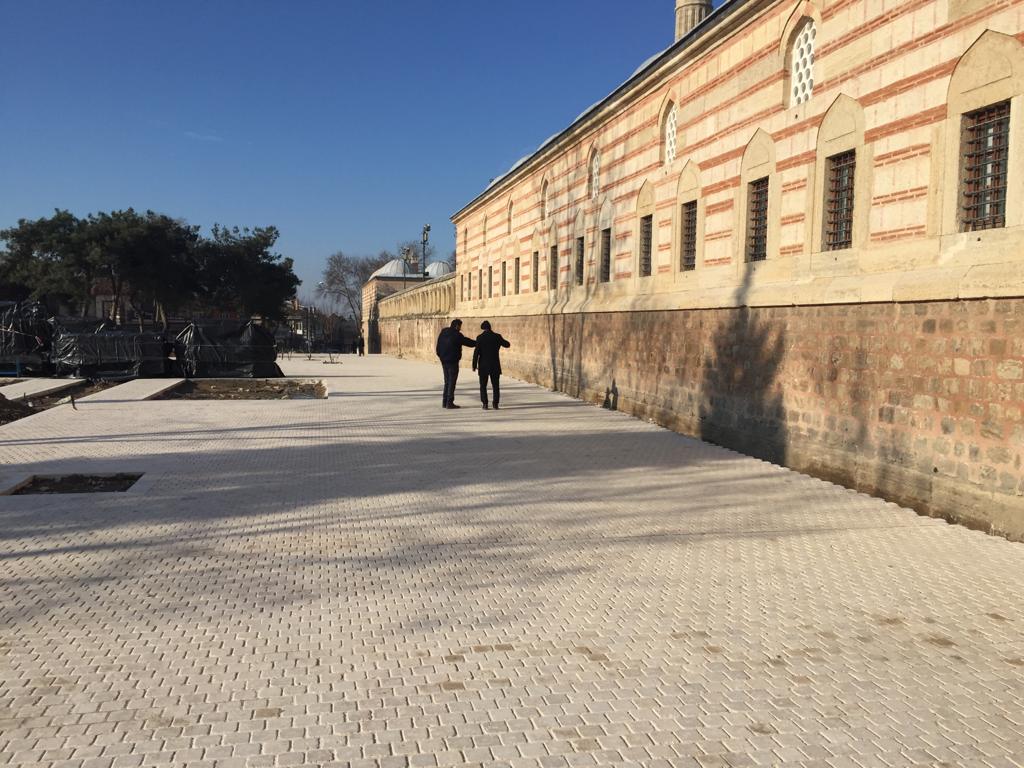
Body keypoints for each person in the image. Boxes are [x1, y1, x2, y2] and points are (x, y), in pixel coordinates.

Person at [435, 318, 476, 409]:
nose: (460, 328)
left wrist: (441, 356)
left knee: (447, 381)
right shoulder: (457, 335)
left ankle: (445, 401)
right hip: (452, 361)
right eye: (460, 326)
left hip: (444, 360)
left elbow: (438, 347)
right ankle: (449, 402)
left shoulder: (443, 332)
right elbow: (467, 342)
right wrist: (478, 343)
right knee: (452, 382)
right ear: (457, 326)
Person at [472, 320, 511, 410]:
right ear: (490, 327)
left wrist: (474, 365)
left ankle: (485, 404)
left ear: (482, 328)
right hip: (495, 365)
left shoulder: (480, 338)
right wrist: (500, 342)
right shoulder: (497, 337)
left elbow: (476, 353)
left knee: (483, 386)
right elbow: (507, 344)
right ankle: (495, 404)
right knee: (496, 386)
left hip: (483, 365)